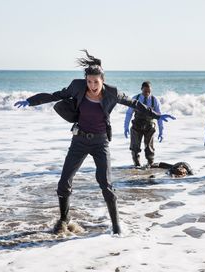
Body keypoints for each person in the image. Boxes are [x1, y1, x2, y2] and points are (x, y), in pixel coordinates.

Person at [14, 50, 175, 235]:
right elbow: (56, 95)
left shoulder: (112, 93)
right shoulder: (77, 87)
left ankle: (116, 228)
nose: (92, 86)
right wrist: (31, 101)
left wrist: (157, 115)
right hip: (79, 140)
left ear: (102, 80)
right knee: (64, 182)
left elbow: (134, 104)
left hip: (100, 142)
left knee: (105, 183)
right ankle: (64, 220)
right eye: (89, 81)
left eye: (96, 82)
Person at [124, 81, 164, 167]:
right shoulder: (136, 98)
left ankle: (150, 163)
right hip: (137, 126)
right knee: (135, 148)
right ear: (141, 89)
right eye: (145, 91)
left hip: (149, 126)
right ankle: (137, 164)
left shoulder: (154, 100)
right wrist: (126, 127)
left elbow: (159, 116)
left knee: (149, 148)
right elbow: (129, 113)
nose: (147, 93)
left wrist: (161, 131)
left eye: (149, 91)